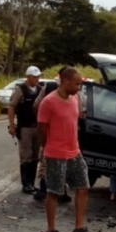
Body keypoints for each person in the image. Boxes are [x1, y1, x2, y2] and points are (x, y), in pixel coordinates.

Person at [38, 67, 96, 232]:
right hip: (56, 153)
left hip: (74, 151)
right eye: (77, 84)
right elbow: (41, 128)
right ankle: (51, 229)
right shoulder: (48, 102)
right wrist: (47, 148)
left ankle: (79, 227)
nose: (79, 88)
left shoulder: (75, 98)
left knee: (83, 186)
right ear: (65, 81)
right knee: (54, 191)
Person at [32, 67, 72, 203]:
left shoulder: (49, 87)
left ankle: (44, 189)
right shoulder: (72, 91)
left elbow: (36, 105)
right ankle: (60, 191)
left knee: (45, 160)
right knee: (63, 161)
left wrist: (43, 120)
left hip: (50, 130)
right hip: (64, 132)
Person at [8, 66, 44, 194]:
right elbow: (12, 107)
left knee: (35, 156)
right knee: (25, 156)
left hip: (37, 127)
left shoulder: (40, 89)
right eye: (34, 77)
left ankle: (32, 183)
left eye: (38, 76)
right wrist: (12, 125)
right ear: (28, 77)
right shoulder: (20, 89)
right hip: (25, 127)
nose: (37, 79)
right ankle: (26, 183)